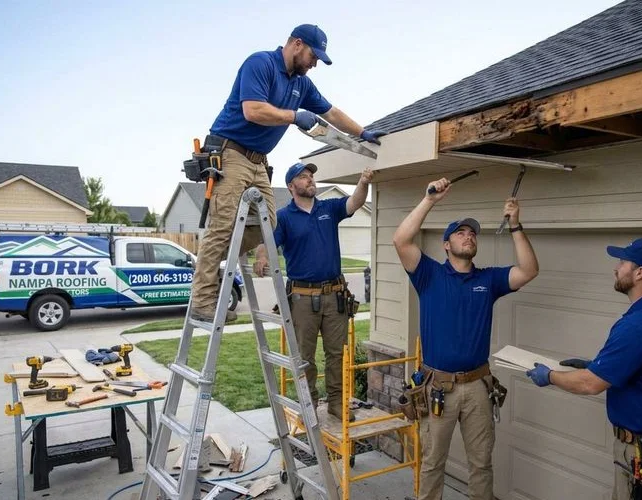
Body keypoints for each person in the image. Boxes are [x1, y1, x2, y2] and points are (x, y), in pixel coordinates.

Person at [190, 24, 386, 323]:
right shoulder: (261, 64)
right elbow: (253, 110)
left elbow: (331, 113)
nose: (314, 63)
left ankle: (214, 260)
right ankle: (203, 301)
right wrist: (294, 116)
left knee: (267, 226)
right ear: (297, 44)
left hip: (258, 162)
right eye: (313, 56)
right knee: (222, 225)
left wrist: (362, 133)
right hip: (231, 153)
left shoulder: (301, 84)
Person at [393, 177, 539, 500]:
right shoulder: (429, 274)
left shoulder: (488, 280)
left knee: (481, 464)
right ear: (446, 245)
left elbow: (529, 270)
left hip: (477, 387)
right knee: (432, 463)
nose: (469, 236)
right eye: (460, 232)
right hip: (437, 387)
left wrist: (515, 226)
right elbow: (401, 239)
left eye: (472, 233)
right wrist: (429, 199)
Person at [526, 238, 642, 500]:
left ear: (639, 272)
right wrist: (597, 366)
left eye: (622, 262)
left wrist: (549, 376)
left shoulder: (640, 323)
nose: (616, 268)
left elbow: (590, 384)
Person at [254, 162, 373, 420]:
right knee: (304, 357)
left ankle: (336, 403)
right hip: (302, 299)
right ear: (291, 186)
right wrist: (261, 257)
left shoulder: (328, 208)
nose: (310, 179)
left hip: (335, 296)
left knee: (336, 353)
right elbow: (267, 243)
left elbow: (354, 202)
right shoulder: (284, 217)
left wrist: (363, 182)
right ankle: (309, 406)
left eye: (311, 176)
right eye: (303, 177)